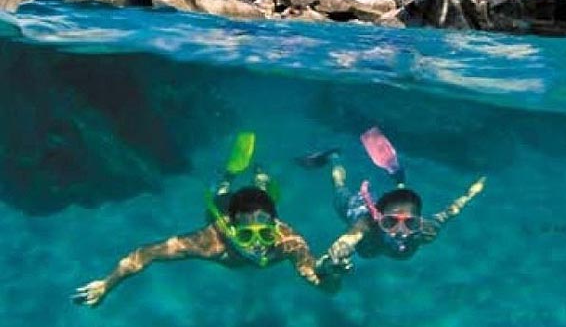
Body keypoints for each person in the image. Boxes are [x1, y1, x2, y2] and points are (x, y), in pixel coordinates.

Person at [73, 134, 339, 306]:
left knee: (262, 198)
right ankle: (229, 175)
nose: (259, 245)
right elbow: (148, 253)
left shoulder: (288, 242)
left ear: (275, 229)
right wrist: (108, 284)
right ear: (232, 230)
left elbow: (324, 285)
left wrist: (330, 275)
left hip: (251, 212)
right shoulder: (210, 243)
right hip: (226, 210)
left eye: (266, 234)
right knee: (222, 194)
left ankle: (260, 180)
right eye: (247, 236)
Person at [302, 127, 486, 267]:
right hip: (355, 206)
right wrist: (339, 250)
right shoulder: (366, 224)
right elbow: (349, 238)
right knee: (339, 186)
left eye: (410, 223)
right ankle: (334, 157)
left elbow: (452, 210)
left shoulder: (425, 231)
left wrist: (474, 191)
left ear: (419, 222)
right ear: (379, 219)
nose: (400, 231)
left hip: (381, 211)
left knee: (400, 196)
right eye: (390, 222)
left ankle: (398, 179)